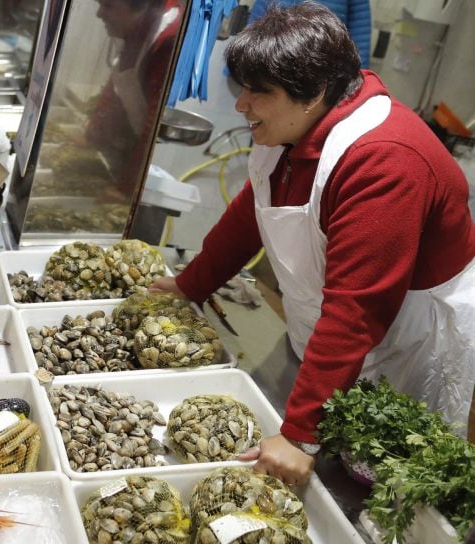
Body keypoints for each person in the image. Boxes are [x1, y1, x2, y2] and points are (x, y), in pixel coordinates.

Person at [151, 1, 475, 486]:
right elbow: (251, 214)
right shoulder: (291, 130)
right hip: (333, 336)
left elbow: (357, 309)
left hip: (406, 343)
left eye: (259, 93)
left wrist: (300, 434)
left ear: (315, 92)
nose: (242, 105)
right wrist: (189, 286)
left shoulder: (385, 160)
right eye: (243, 89)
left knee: (380, 481)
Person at [84, 0, 182, 199]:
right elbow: (118, 85)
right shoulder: (132, 31)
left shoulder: (168, 42)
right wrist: (92, 135)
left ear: (142, 7)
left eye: (108, 6)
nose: (99, 14)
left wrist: (127, 187)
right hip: (126, 151)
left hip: (141, 161)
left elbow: (152, 123)